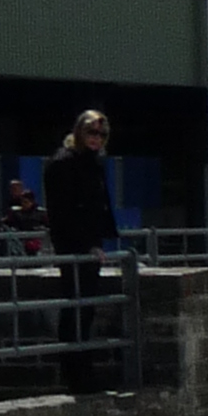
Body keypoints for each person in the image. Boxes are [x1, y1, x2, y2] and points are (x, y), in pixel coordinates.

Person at [42, 106, 117, 387]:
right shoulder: (64, 162)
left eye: (102, 133)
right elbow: (65, 213)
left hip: (88, 246)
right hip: (73, 246)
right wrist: (87, 244)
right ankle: (75, 373)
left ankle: (82, 370)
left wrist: (96, 241)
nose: (97, 137)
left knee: (85, 308)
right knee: (76, 307)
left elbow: (96, 205)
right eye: (91, 132)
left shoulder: (91, 162)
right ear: (79, 132)